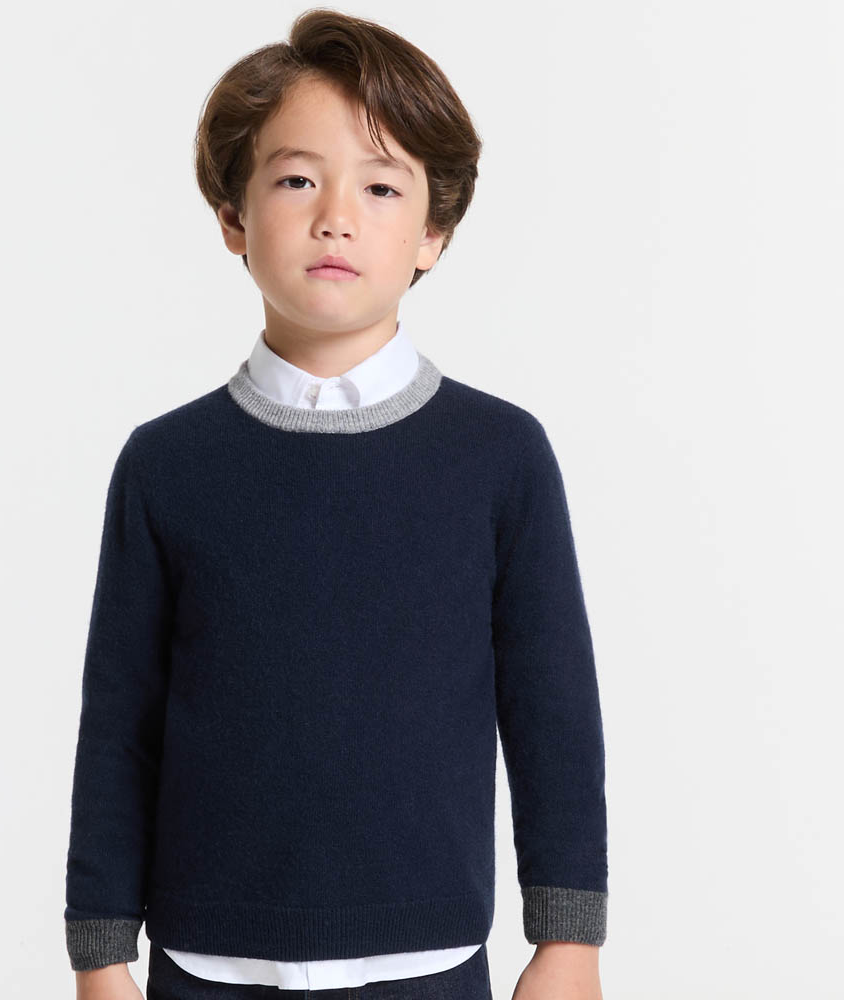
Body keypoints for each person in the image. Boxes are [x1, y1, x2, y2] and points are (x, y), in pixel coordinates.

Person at [64, 9, 608, 1000]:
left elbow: (553, 712)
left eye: (381, 185)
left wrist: (568, 937)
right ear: (232, 217)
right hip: (208, 964)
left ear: (433, 233)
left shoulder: (500, 456)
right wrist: (100, 954)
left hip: (428, 962)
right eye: (296, 180)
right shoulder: (167, 465)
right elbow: (119, 728)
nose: (335, 217)